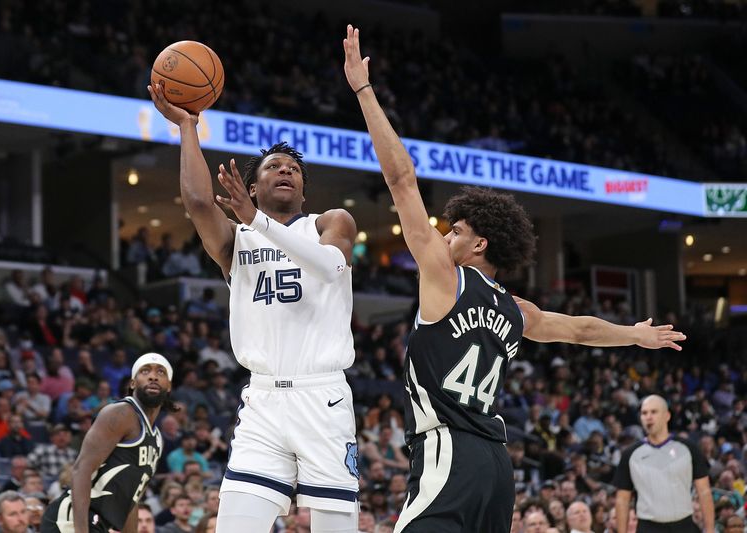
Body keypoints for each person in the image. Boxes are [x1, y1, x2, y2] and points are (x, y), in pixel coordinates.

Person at [343, 24, 687, 533]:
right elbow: (578, 330)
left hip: (449, 453)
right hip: (497, 466)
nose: (446, 236)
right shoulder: (516, 310)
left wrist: (363, 90)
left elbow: (401, 178)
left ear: (479, 244)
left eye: (455, 230)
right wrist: (634, 335)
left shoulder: (445, 277)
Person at [149, 76, 359, 533]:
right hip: (262, 401)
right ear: (251, 186)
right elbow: (199, 201)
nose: (285, 170)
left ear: (303, 189)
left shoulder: (331, 222)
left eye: (293, 169)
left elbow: (329, 267)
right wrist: (188, 127)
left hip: (322, 396)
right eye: (273, 167)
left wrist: (258, 220)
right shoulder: (237, 239)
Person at [41, 353, 174, 533]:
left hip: (100, 525)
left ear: (169, 387)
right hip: (72, 520)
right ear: (133, 383)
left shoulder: (157, 439)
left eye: (161, 372)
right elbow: (81, 470)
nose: (153, 376)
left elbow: (131, 499)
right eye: (145, 371)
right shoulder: (120, 413)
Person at [613, 395, 715, 533]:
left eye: (654, 412)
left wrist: (709, 530)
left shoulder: (687, 449)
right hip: (648, 527)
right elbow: (622, 500)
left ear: (667, 416)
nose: (648, 417)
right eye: (644, 413)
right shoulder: (630, 454)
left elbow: (704, 491)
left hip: (684, 525)